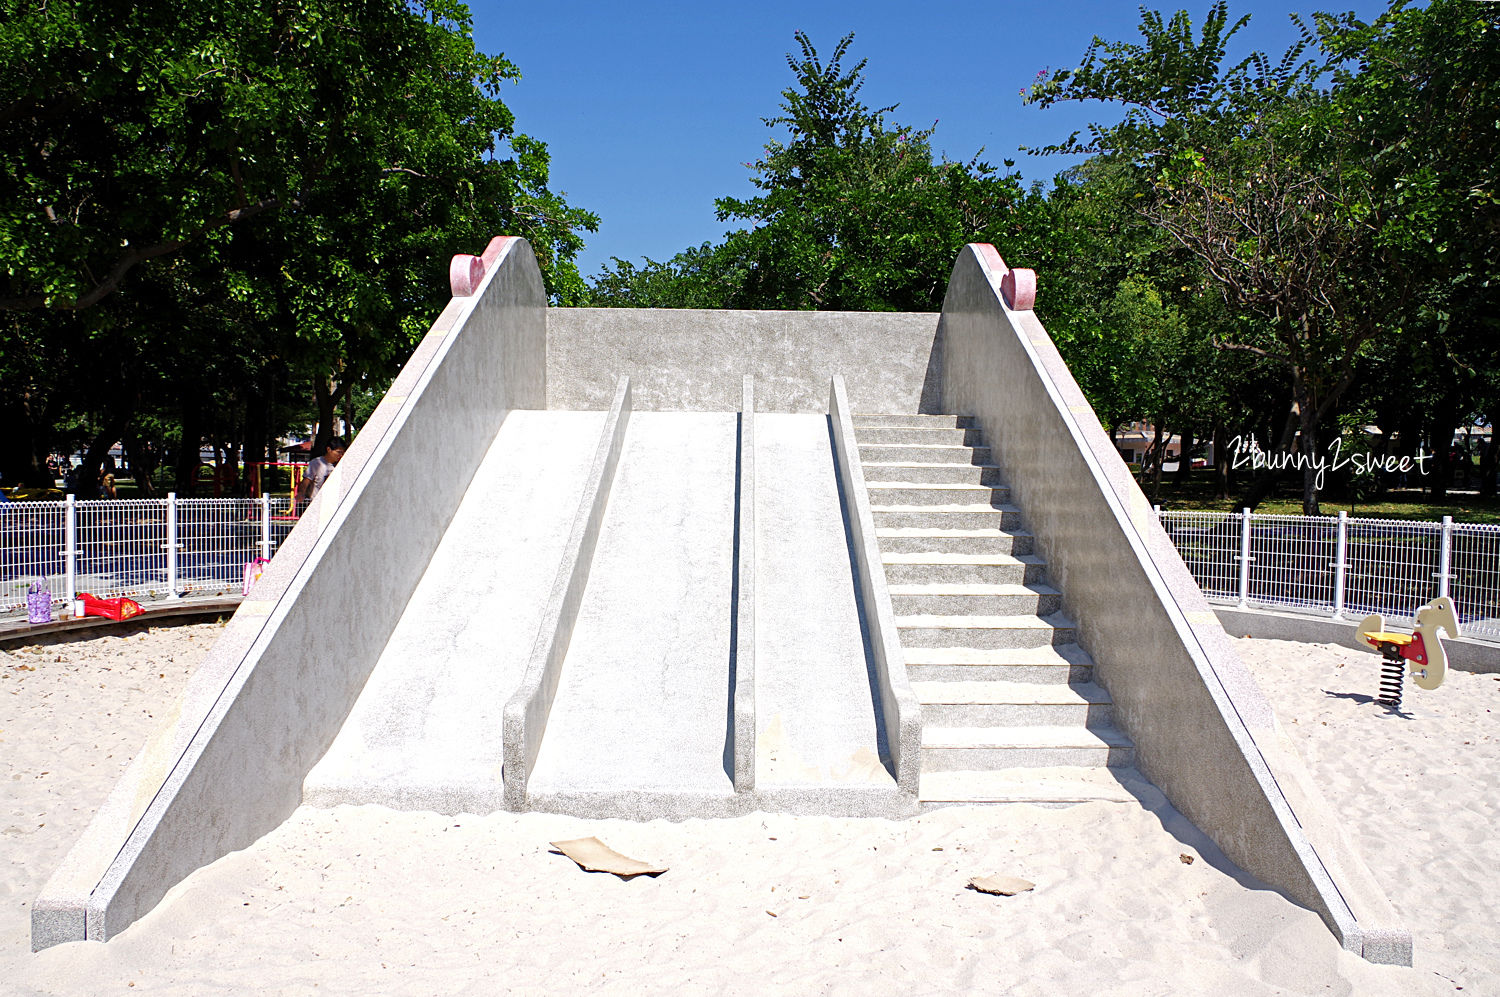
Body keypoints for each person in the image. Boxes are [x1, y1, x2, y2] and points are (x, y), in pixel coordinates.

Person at [295, 437, 347, 513]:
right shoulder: (316, 463)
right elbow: (306, 481)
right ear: (329, 450)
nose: (341, 455)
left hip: (334, 506)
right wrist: (301, 493)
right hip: (317, 506)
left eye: (343, 453)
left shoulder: (341, 465)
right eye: (338, 452)